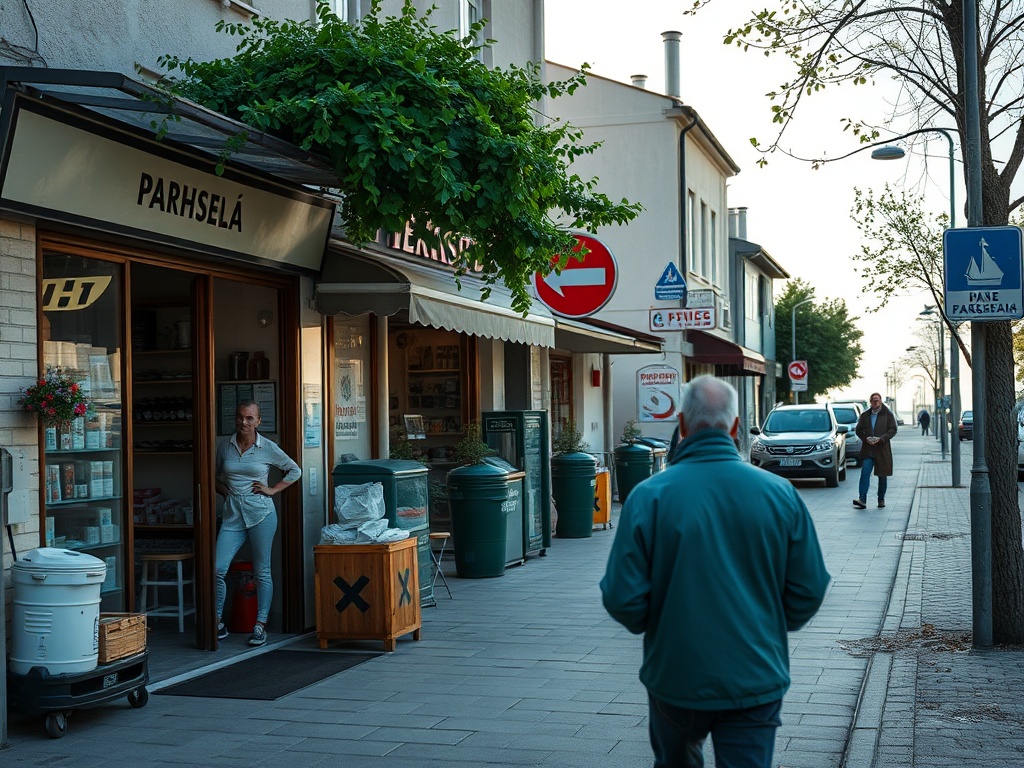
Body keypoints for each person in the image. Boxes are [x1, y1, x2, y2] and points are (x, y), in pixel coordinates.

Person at [601, 375, 830, 768]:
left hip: (675, 674)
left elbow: (622, 596)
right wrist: (769, 625)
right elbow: (809, 587)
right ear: (736, 426)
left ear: (682, 424)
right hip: (755, 674)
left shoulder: (649, 496)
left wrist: (659, 626)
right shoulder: (779, 494)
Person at [214, 400, 301, 647]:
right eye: (240, 417)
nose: (244, 422)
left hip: (261, 515)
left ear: (258, 421)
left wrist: (272, 489)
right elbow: (213, 476)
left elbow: (294, 471)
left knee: (262, 571)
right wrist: (224, 491)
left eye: (250, 418)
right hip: (233, 516)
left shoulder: (267, 447)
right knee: (217, 568)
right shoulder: (225, 446)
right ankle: (217, 622)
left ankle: (260, 625)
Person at [854, 392, 898, 509]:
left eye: (877, 399)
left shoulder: (887, 414)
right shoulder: (865, 415)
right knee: (865, 472)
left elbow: (892, 429)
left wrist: (881, 439)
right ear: (870, 402)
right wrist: (866, 438)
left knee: (882, 475)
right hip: (868, 449)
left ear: (881, 401)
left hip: (882, 450)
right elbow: (859, 430)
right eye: (873, 399)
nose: (875, 401)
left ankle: (881, 498)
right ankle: (862, 498)